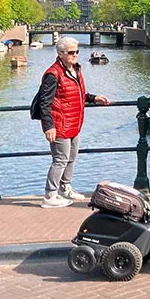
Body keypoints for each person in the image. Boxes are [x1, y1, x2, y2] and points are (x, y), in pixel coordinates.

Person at [38, 37, 109, 208]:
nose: (75, 55)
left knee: (71, 158)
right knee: (60, 159)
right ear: (60, 54)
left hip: (75, 122)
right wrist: (49, 126)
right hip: (61, 123)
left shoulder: (75, 70)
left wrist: (93, 98)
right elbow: (44, 102)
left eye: (77, 51)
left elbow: (78, 94)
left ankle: (65, 188)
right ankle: (50, 195)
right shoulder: (53, 74)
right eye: (71, 52)